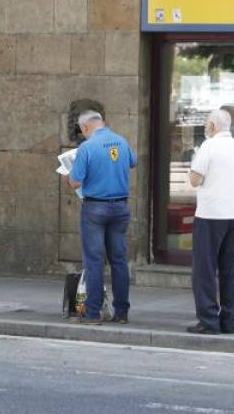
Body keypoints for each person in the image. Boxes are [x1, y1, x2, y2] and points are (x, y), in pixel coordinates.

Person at [66, 110, 136, 325]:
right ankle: (122, 312)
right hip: (120, 207)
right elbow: (132, 162)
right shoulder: (121, 141)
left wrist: (68, 173)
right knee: (119, 261)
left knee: (94, 261)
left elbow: (75, 182)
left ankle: (93, 313)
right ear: (102, 123)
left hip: (95, 209)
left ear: (85, 127)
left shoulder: (86, 148)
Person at [187, 109, 234, 335]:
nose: (205, 127)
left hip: (210, 214)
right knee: (230, 269)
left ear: (213, 126)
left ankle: (208, 320)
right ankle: (228, 319)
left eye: (206, 123)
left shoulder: (208, 146)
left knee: (204, 270)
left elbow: (195, 180)